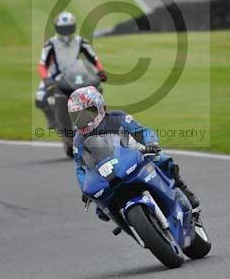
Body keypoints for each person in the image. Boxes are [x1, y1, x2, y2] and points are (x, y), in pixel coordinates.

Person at [68, 86, 200, 221]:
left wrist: (151, 144)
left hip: (133, 157)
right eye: (76, 116)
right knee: (101, 210)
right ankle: (130, 225)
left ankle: (184, 190)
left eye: (85, 114)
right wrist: (85, 188)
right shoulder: (78, 140)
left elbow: (143, 131)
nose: (81, 120)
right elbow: (80, 168)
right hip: (106, 174)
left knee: (163, 160)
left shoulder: (117, 118)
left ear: (100, 107)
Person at [35, 12, 107, 153]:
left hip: (76, 76)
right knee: (40, 98)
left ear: (73, 28)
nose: (66, 32)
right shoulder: (50, 44)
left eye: (68, 28)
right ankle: (54, 122)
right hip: (54, 78)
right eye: (63, 29)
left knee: (94, 92)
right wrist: (46, 78)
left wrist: (101, 71)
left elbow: (94, 59)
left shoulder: (81, 42)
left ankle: (96, 123)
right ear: (57, 29)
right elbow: (41, 65)